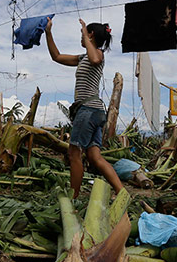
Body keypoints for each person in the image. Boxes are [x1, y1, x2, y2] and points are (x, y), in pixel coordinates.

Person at [45, 17, 123, 199]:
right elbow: (56, 56)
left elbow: (95, 59)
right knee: (95, 157)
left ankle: (73, 198)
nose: (81, 38)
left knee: (74, 154)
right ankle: (122, 191)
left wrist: (84, 35)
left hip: (88, 110)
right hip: (94, 112)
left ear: (91, 35)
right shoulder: (82, 58)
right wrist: (48, 33)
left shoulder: (97, 54)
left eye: (84, 35)